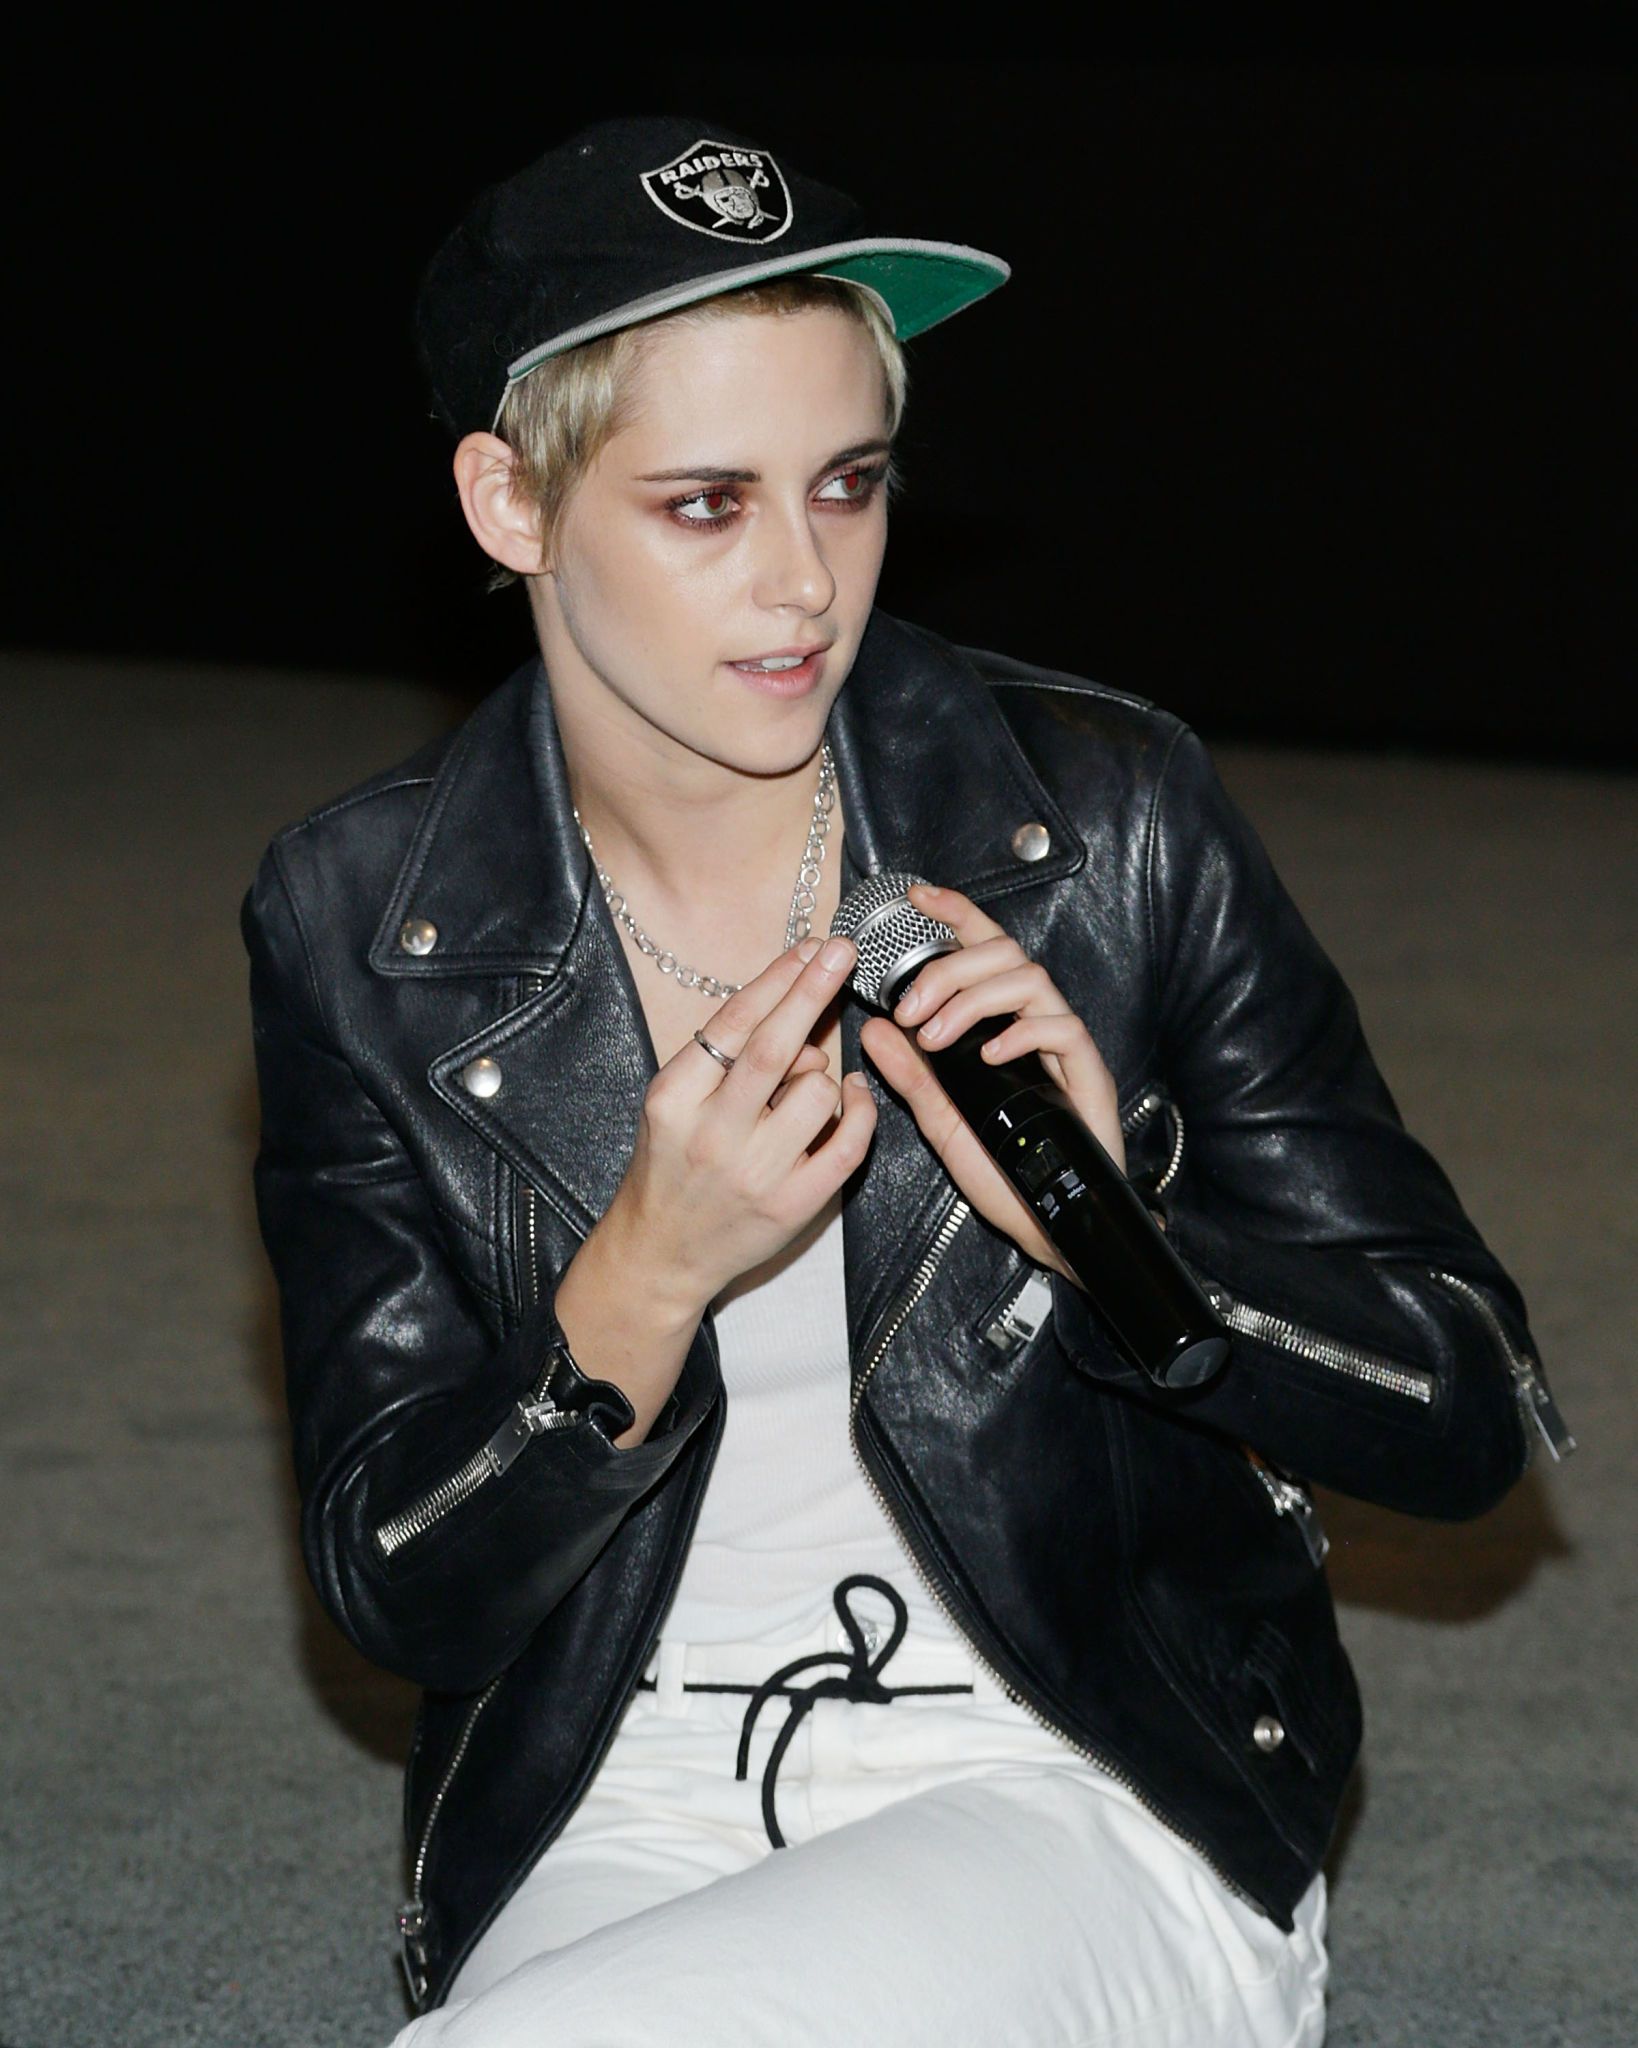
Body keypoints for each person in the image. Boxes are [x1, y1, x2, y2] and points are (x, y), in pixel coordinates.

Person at [242, 118, 1570, 2047]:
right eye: (706, 504)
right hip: (613, 1803)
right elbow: (406, 1598)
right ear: (509, 501)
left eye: (847, 484)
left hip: (1068, 1771)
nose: (803, 582)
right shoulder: (361, 921)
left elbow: (1459, 1414)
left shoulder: (1101, 819)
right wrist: (643, 1276)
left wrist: (1112, 1228)